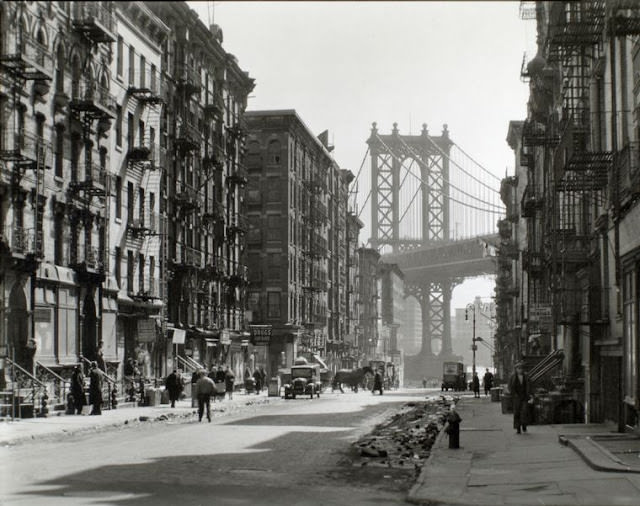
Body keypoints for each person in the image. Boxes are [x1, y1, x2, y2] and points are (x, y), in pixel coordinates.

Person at [508, 361, 530, 434]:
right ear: (516, 369)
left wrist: (530, 394)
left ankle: (524, 425)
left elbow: (529, 386)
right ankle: (518, 428)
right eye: (518, 368)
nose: (520, 370)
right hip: (516, 397)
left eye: (521, 368)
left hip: (524, 397)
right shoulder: (512, 377)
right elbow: (510, 386)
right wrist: (513, 394)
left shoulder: (526, 376)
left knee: (524, 411)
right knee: (516, 413)